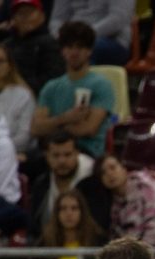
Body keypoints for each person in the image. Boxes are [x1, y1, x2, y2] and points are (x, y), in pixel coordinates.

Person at [31, 20, 114, 160]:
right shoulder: (51, 87)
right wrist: (66, 119)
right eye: (69, 47)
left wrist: (52, 127)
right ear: (62, 51)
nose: (74, 52)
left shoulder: (101, 85)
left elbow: (89, 129)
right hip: (53, 152)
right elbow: (36, 128)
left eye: (80, 47)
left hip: (86, 152)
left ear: (89, 51)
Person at [27, 132, 110, 239]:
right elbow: (34, 228)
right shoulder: (41, 184)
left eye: (67, 155)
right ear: (47, 156)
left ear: (77, 153)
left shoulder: (93, 179)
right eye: (56, 155)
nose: (62, 161)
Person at [95, 153, 155, 248]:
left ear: (124, 168)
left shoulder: (145, 185)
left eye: (112, 168)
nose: (109, 174)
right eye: (103, 173)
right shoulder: (113, 202)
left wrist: (138, 253)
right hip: (133, 250)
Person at [31, 187, 103, 259]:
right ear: (57, 213)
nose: (69, 213)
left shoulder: (97, 241)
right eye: (63, 209)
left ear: (82, 212)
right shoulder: (45, 243)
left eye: (74, 208)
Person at [48, 0, 132, 67]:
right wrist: (61, 35)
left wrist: (85, 35)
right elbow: (56, 19)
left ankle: (85, 83)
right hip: (71, 37)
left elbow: (118, 18)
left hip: (112, 40)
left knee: (85, 49)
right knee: (47, 47)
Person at [3, 0, 63, 94]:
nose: (24, 17)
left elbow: (53, 78)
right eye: (20, 13)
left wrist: (20, 87)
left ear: (42, 16)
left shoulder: (51, 44)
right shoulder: (6, 45)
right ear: (13, 19)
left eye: (29, 12)